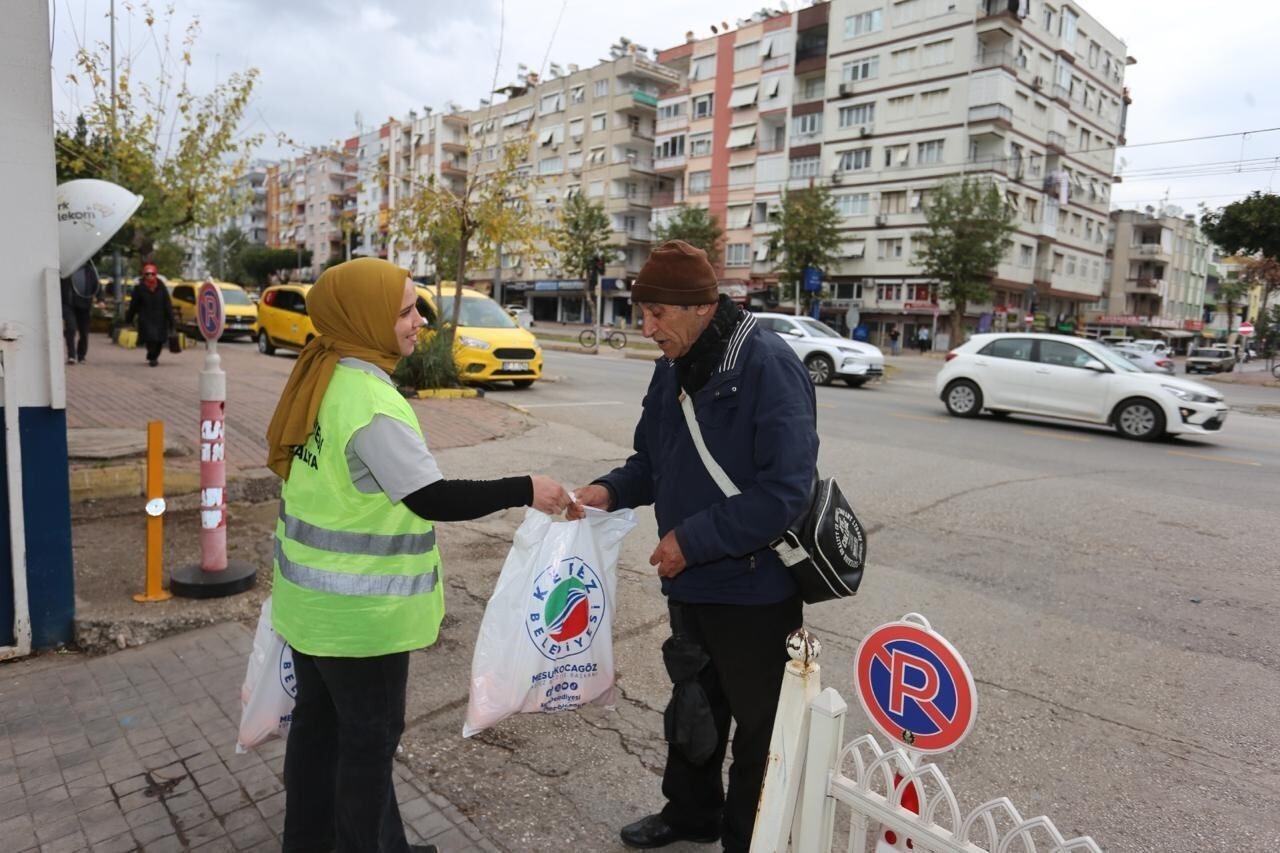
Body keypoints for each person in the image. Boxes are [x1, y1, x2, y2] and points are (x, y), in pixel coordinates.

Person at [264, 258, 573, 853]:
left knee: (318, 734)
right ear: (364, 317)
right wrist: (525, 487)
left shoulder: (323, 375)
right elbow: (432, 497)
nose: (416, 324)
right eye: (404, 311)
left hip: (309, 609)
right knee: (366, 748)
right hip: (362, 623)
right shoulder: (369, 402)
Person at [569, 240, 817, 853]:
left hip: (755, 589)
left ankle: (745, 838)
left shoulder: (765, 364)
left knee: (759, 731)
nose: (647, 329)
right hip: (690, 582)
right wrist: (609, 489)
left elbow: (786, 491)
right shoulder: (671, 367)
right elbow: (652, 462)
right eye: (643, 314)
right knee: (692, 707)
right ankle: (690, 815)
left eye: (658, 315)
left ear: (702, 307)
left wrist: (692, 538)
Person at [125, 262, 174, 366]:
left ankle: (154, 355)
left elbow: (167, 304)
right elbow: (133, 305)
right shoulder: (139, 288)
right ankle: (152, 357)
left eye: (152, 274)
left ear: (155, 274)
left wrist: (171, 320)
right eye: (147, 274)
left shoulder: (161, 287)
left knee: (159, 340)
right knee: (150, 338)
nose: (149, 276)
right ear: (144, 275)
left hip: (160, 318)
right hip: (146, 317)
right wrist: (129, 318)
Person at [60, 261, 99, 364]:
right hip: (69, 304)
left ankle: (81, 356)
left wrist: (101, 299)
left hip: (84, 304)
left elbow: (97, 285)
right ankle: (71, 355)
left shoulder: (90, 270)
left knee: (84, 331)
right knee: (71, 328)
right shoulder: (66, 269)